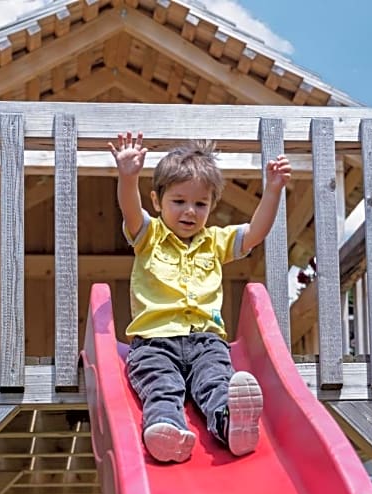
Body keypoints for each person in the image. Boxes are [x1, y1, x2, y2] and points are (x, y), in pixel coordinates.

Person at [108, 131, 291, 463]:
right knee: (161, 387)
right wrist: (128, 176)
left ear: (211, 206)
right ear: (157, 201)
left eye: (200, 203)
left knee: (216, 382)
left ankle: (230, 424)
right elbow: (130, 210)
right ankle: (165, 430)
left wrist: (274, 191)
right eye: (178, 201)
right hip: (154, 343)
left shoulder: (214, 241)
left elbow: (255, 233)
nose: (189, 211)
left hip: (207, 342)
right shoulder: (149, 236)